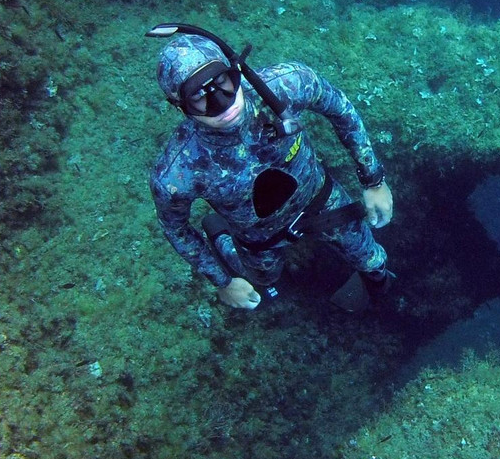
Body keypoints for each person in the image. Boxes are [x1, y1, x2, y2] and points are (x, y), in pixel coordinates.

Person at [149, 25, 394, 311]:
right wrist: (224, 282)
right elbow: (175, 227)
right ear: (180, 106)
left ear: (234, 70)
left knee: (374, 262)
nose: (220, 104)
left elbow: (339, 108)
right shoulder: (177, 172)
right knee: (263, 281)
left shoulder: (288, 84)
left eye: (223, 82)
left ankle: (377, 294)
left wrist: (373, 180)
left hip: (321, 201)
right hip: (258, 239)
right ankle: (220, 235)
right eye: (199, 97)